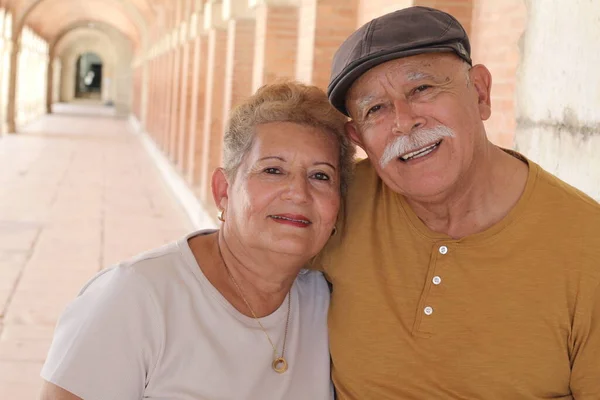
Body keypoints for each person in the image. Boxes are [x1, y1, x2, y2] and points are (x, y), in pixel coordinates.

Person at [318, 6, 600, 399]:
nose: (403, 121)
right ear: (360, 139)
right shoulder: (333, 202)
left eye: (422, 89)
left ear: (481, 92)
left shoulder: (588, 244)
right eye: (375, 109)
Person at [39, 81, 355, 400]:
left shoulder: (326, 299)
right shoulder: (136, 296)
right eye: (273, 170)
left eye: (320, 176)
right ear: (224, 191)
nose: (299, 193)